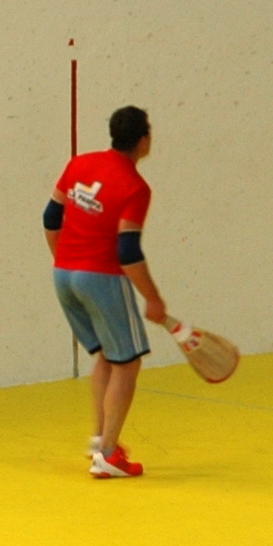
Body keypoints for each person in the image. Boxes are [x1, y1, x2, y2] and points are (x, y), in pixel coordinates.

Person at [45, 105, 170, 479]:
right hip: (100, 278)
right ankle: (109, 455)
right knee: (127, 362)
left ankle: (100, 440)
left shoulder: (78, 164)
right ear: (144, 140)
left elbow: (51, 218)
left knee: (105, 356)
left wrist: (65, 259)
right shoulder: (135, 187)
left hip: (63, 274)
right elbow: (127, 252)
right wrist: (153, 297)